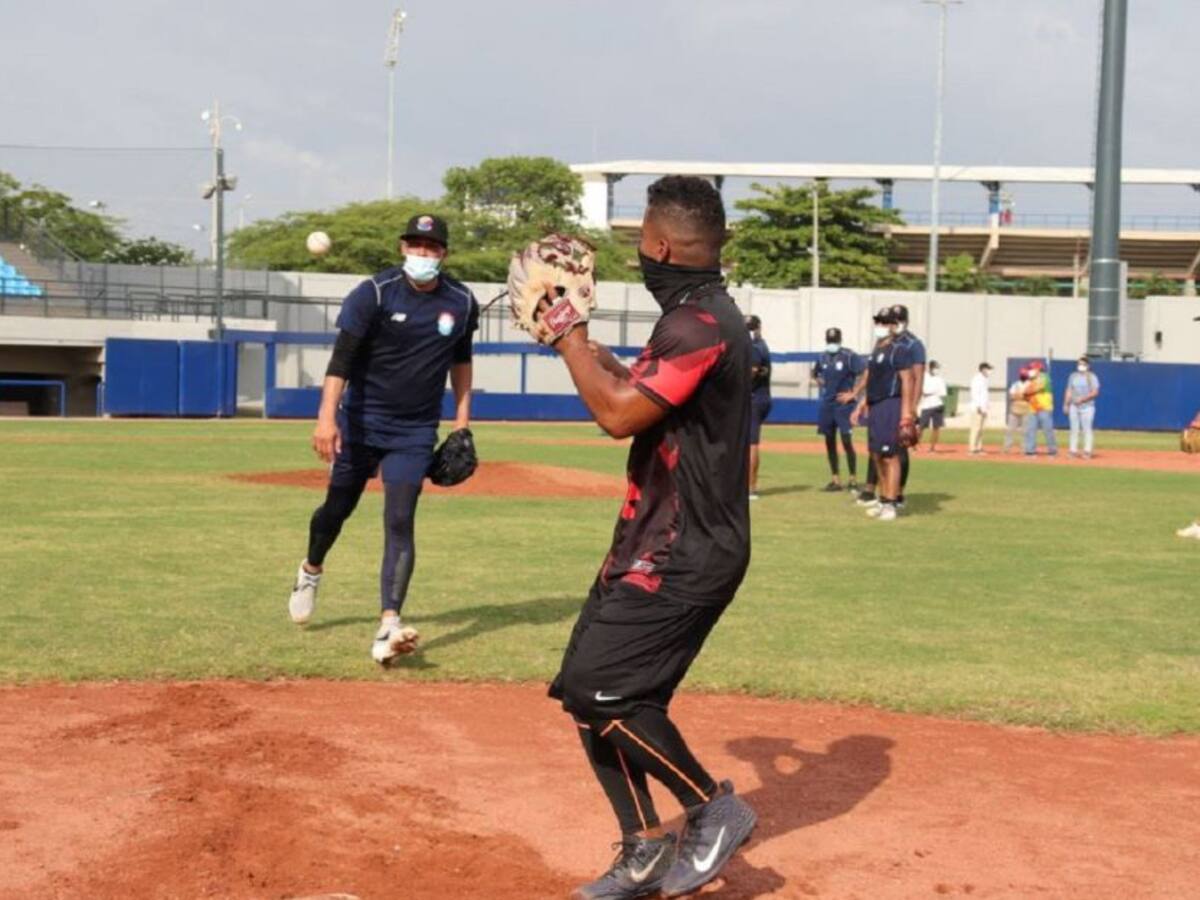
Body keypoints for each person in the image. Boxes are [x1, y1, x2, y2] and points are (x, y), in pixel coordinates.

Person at [544, 176, 757, 899]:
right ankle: (642, 849)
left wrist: (565, 335)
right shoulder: (700, 318)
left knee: (599, 690)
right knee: (591, 695)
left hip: (685, 550)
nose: (639, 250)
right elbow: (637, 388)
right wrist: (579, 336)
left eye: (639, 236)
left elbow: (619, 416)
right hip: (652, 543)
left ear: (661, 245)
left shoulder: (699, 324)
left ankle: (711, 806)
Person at [286, 214, 478, 665]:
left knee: (399, 521)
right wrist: (325, 420)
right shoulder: (373, 293)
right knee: (338, 509)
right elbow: (340, 362)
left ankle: (388, 623)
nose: (422, 255)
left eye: (431, 248)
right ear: (401, 248)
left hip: (414, 429)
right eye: (415, 246)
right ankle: (311, 570)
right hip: (360, 423)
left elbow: (462, 364)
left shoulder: (461, 301)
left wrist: (463, 423)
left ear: (444, 253)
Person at [846, 307, 915, 521]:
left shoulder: (899, 349)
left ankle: (891, 503)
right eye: (879, 322)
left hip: (891, 404)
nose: (881, 326)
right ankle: (883, 497)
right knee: (876, 454)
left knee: (890, 455)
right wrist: (860, 405)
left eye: (885, 323)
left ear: (894, 325)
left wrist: (906, 413)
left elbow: (908, 380)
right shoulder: (877, 349)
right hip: (875, 404)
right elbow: (872, 380)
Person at [812, 326, 863, 492]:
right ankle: (835, 479)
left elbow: (865, 373)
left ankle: (853, 479)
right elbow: (815, 373)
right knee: (829, 441)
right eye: (829, 341)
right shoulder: (823, 357)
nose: (831, 344)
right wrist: (820, 382)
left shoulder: (849, 356)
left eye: (834, 341)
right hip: (828, 404)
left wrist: (854, 393)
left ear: (840, 341)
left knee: (847, 441)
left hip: (844, 405)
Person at [888, 305, 925, 508]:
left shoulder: (914, 344)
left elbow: (918, 377)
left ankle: (899, 493)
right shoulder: (887, 342)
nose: (895, 324)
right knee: (882, 447)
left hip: (904, 400)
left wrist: (912, 407)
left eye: (899, 320)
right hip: (887, 399)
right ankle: (885, 492)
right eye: (893, 320)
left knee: (901, 447)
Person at [747, 315, 772, 499]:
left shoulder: (754, 347)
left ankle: (751, 488)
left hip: (754, 399)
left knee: (751, 444)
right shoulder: (759, 345)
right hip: (758, 398)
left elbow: (751, 372)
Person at [1064, 356, 1100, 459]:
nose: (1081, 366)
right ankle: (1073, 451)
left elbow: (1095, 392)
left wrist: (1083, 399)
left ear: (1088, 366)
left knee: (1086, 429)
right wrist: (1066, 404)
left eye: (1083, 364)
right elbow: (1069, 390)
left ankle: (1087, 451)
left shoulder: (1092, 377)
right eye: (1079, 364)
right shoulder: (1073, 376)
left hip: (1087, 406)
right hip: (1074, 406)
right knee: (1074, 429)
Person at [1023, 360, 1058, 456]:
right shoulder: (1031, 380)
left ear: (1038, 369)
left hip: (1044, 407)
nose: (1031, 370)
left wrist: (1028, 391)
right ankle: (1030, 450)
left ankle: (1052, 450)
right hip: (1033, 407)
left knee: (1048, 429)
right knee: (1030, 429)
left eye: (1033, 368)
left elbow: (1037, 388)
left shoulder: (1044, 377)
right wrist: (1027, 391)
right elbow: (1025, 392)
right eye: (1030, 368)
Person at [917, 359, 948, 452]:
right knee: (921, 426)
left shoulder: (940, 379)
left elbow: (943, 393)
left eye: (937, 368)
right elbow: (924, 391)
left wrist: (931, 392)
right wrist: (933, 391)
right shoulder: (924, 377)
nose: (936, 370)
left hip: (937, 404)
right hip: (926, 405)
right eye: (935, 368)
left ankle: (932, 447)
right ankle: (915, 445)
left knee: (936, 427)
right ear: (930, 368)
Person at [1004, 367, 1032, 453]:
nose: (1023, 376)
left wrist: (1019, 395)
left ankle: (1024, 448)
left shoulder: (1030, 384)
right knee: (1010, 430)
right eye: (1022, 374)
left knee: (1025, 431)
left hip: (1026, 410)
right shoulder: (1015, 384)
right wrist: (1023, 395)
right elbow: (1011, 396)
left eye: (1024, 374)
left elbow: (1030, 397)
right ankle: (1007, 448)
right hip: (1014, 410)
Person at [968, 363, 993, 454]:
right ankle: (972, 449)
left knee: (981, 429)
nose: (990, 371)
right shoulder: (977, 379)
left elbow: (985, 395)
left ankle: (979, 447)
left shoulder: (985, 379)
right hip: (977, 408)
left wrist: (986, 407)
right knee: (976, 428)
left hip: (984, 408)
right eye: (988, 369)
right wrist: (978, 406)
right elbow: (975, 393)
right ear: (983, 369)